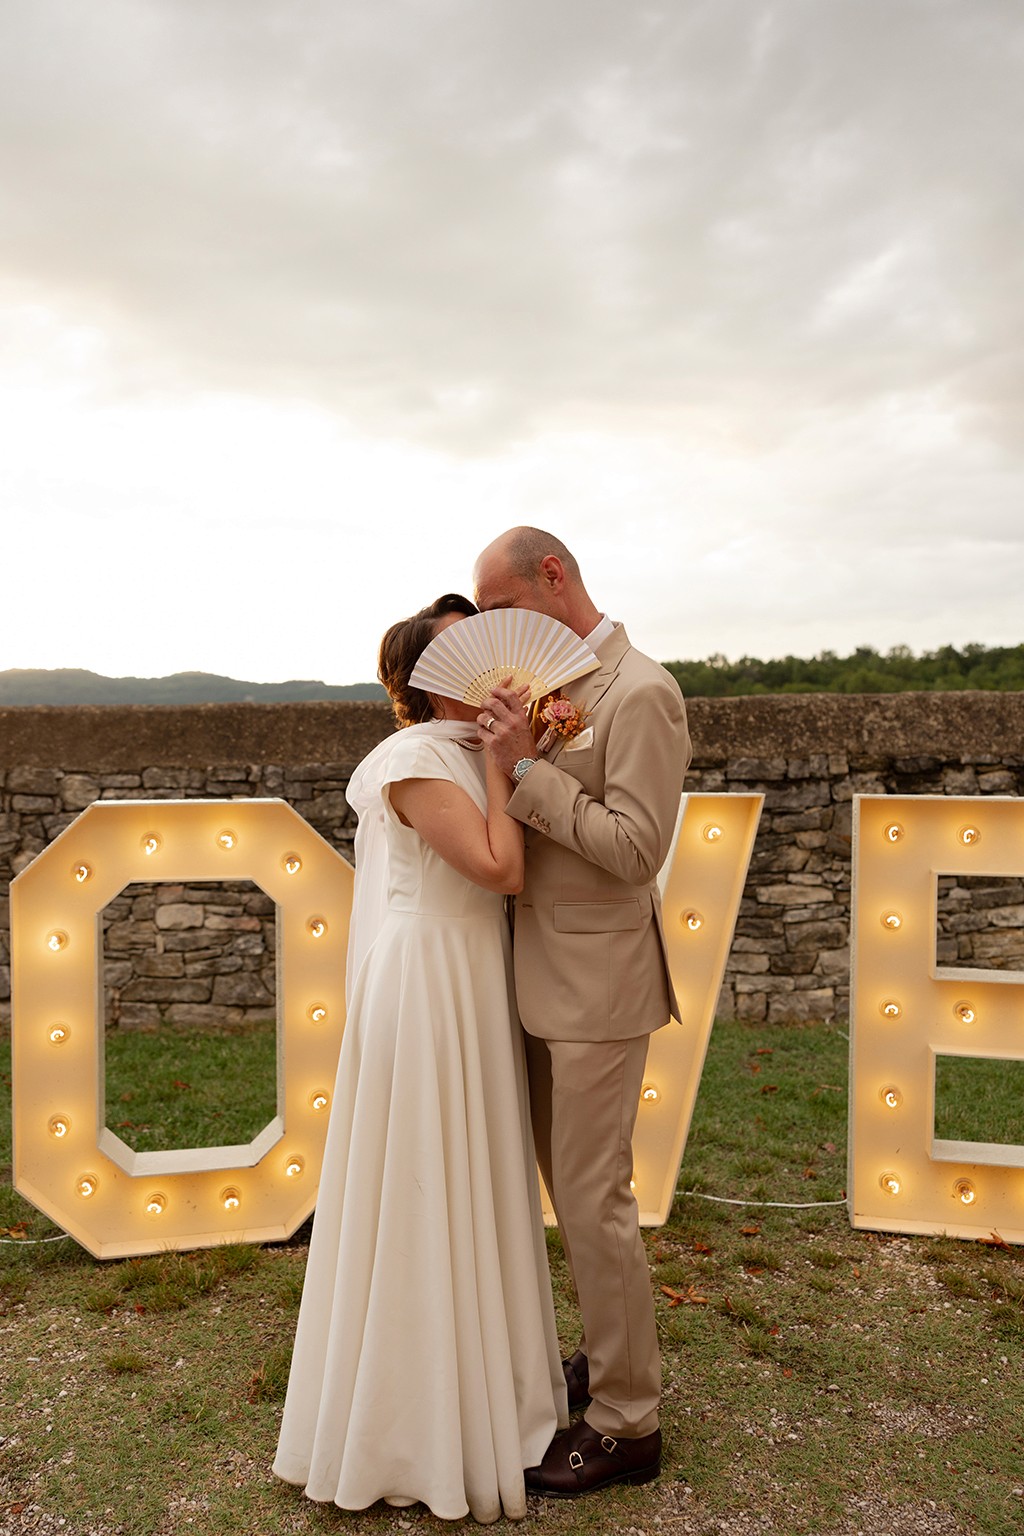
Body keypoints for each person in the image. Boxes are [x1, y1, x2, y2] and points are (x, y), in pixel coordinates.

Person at [273, 593, 567, 1524]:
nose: (483, 663)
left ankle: (496, 1391)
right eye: (457, 653)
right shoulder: (410, 759)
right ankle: (410, 1425)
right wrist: (504, 760)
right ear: (418, 684)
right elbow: (498, 868)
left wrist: (519, 755)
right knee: (418, 1183)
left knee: (474, 1174)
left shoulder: (471, 751)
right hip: (429, 977)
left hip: (475, 976)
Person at [473, 528, 692, 1499]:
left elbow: (636, 848)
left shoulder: (642, 691)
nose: (487, 630)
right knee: (566, 1198)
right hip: (535, 980)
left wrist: (527, 774)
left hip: (601, 990)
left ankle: (626, 1421)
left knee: (598, 1205)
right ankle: (602, 1359)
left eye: (494, 608)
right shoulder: (545, 690)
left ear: (550, 578)